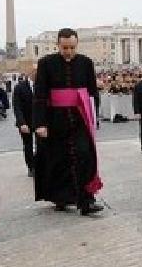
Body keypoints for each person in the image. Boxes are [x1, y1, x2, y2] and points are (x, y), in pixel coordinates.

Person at [32, 28, 104, 215]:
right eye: (65, 47)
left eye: (72, 47)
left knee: (84, 155)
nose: (69, 52)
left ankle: (86, 200)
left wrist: (94, 116)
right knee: (59, 159)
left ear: (76, 45)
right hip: (55, 119)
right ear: (58, 45)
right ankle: (61, 197)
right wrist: (40, 124)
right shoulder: (46, 63)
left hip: (80, 117)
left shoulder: (86, 63)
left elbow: (92, 92)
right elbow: (40, 95)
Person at [13, 67, 36, 177]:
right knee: (28, 145)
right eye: (35, 71)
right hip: (25, 122)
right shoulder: (19, 87)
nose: (37, 74)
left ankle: (41, 164)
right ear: (30, 72)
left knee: (42, 144)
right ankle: (31, 167)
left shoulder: (42, 86)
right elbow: (17, 107)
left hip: (39, 122)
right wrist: (22, 123)